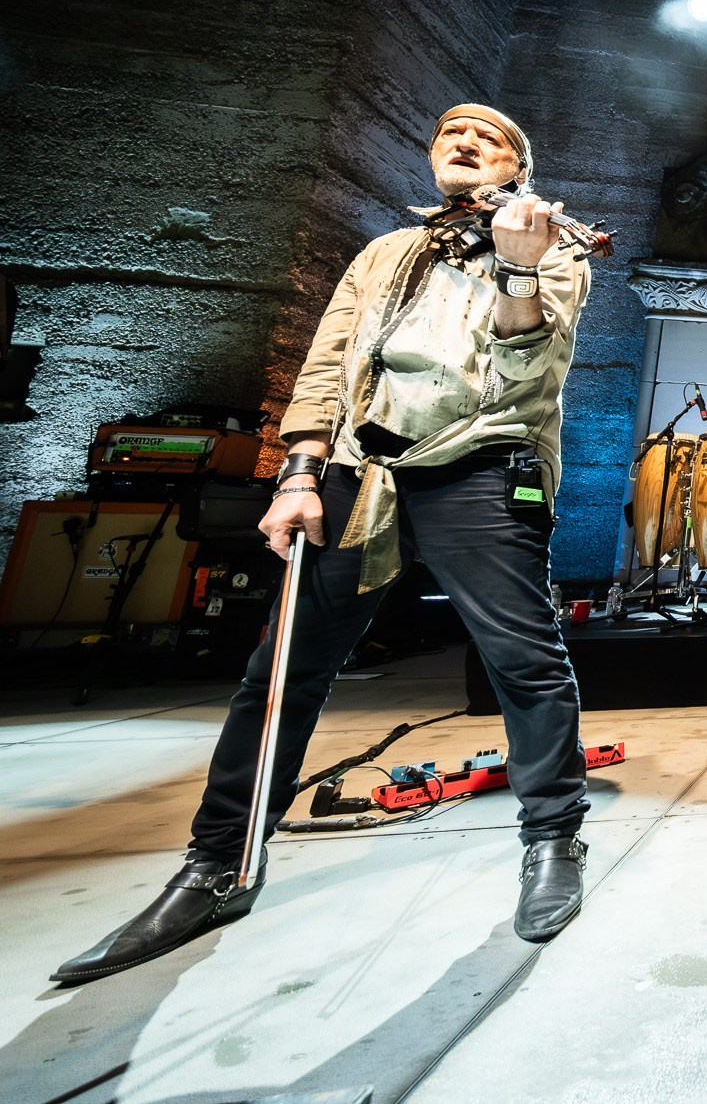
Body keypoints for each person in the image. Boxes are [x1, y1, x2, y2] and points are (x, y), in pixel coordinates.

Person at [54, 104, 594, 985]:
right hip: (360, 468)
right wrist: (298, 475)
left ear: (518, 166)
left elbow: (528, 365)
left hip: (484, 465)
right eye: (449, 132)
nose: (462, 142)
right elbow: (324, 366)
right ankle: (216, 862)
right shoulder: (383, 253)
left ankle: (551, 840)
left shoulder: (554, 245)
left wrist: (521, 266)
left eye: (487, 137)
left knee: (524, 661)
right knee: (279, 672)